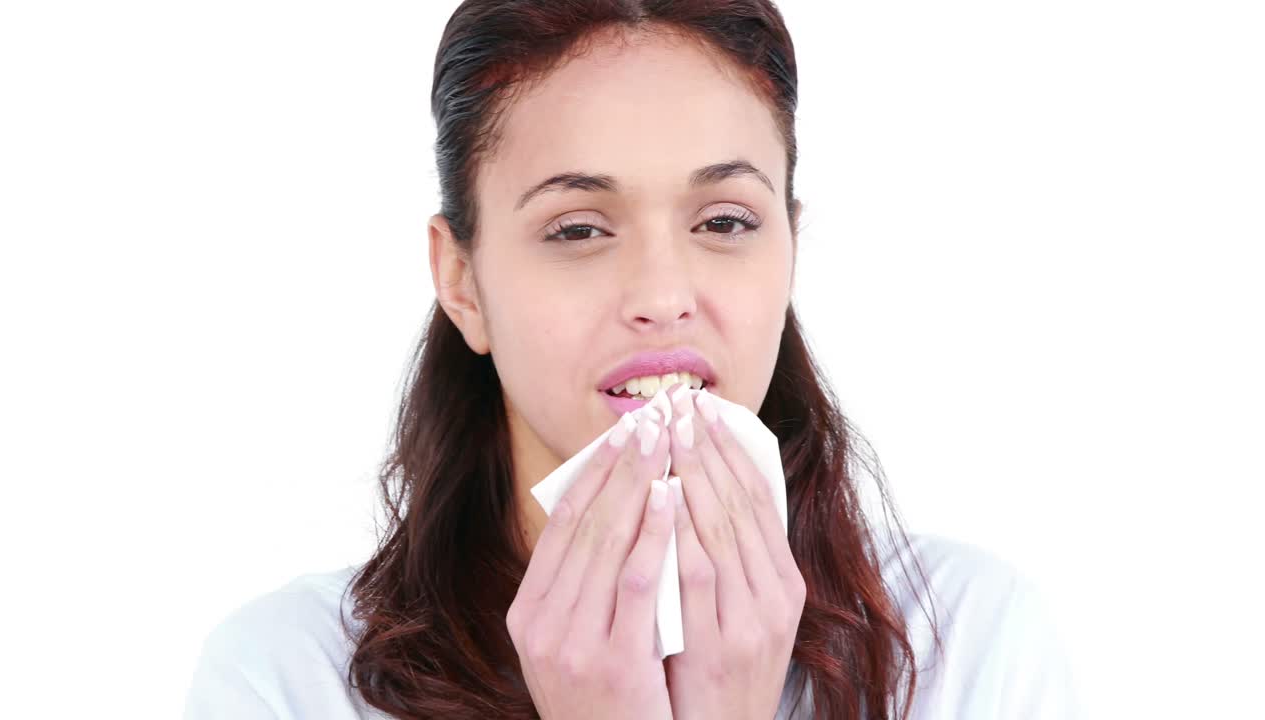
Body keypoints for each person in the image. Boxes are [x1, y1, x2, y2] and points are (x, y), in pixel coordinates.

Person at [183, 1, 1081, 717]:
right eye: (578, 229)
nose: (662, 292)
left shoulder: (964, 644)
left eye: (724, 222)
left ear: (790, 252)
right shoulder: (288, 681)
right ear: (461, 281)